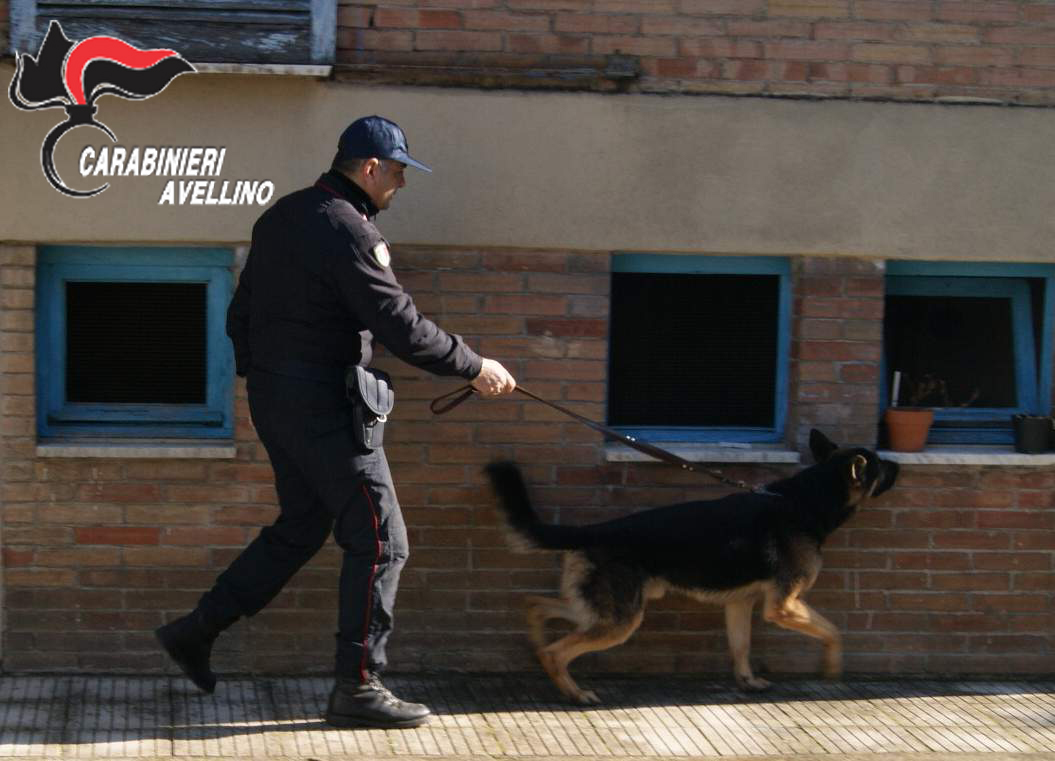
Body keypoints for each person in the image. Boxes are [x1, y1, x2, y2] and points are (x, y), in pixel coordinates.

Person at [155, 115, 516, 729]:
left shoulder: (282, 215)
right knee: (382, 540)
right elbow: (400, 326)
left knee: (301, 527)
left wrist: (268, 382)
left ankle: (195, 631)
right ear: (370, 168)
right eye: (398, 171)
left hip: (278, 402)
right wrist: (474, 366)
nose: (402, 183)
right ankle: (358, 686)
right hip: (323, 408)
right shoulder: (349, 230)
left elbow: (241, 313)